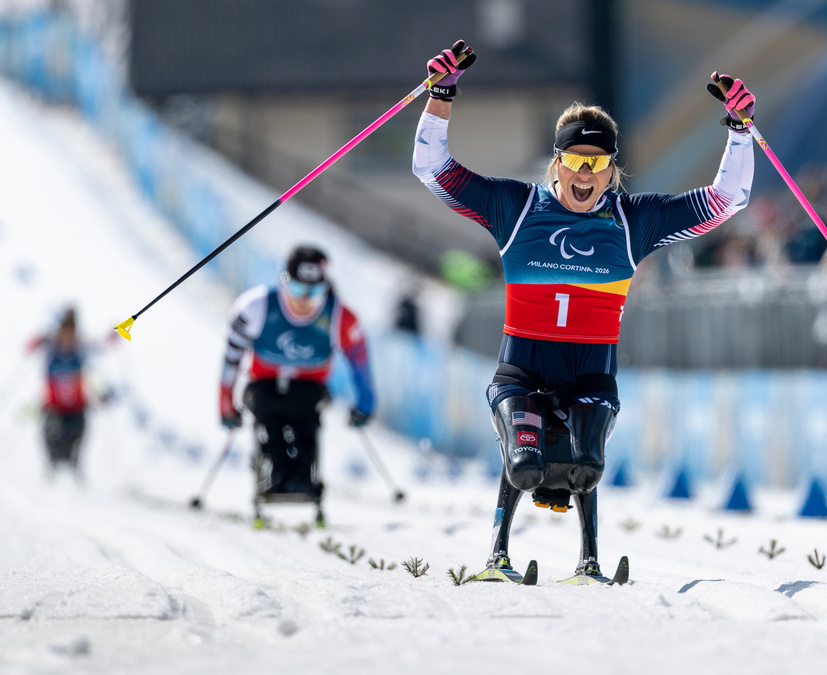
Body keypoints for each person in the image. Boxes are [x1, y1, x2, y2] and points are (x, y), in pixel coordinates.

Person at [413, 41, 755, 580]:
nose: (584, 173)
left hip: (591, 373)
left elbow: (727, 198)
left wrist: (740, 130)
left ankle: (588, 561)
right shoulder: (516, 207)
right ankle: (496, 555)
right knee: (526, 465)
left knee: (585, 468)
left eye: (596, 164)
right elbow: (432, 169)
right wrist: (441, 95)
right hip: (521, 370)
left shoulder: (632, 221)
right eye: (574, 160)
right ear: (558, 161)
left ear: (611, 169)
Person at [219, 245, 376, 526]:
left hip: (309, 388)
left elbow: (359, 361)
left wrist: (365, 403)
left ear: (325, 289)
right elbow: (231, 357)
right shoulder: (256, 306)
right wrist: (225, 402)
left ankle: (303, 478)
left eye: (314, 292)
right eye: (297, 289)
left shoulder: (339, 316)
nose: (304, 300)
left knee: (305, 418)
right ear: (284, 283)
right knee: (268, 412)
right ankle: (278, 475)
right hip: (264, 386)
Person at [26, 307, 111, 478]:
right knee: (49, 433)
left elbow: (100, 349)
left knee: (79, 432)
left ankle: (74, 464)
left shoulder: (80, 349)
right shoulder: (50, 349)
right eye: (65, 332)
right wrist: (38, 340)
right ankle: (52, 466)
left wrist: (102, 393)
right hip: (54, 406)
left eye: (71, 333)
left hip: (76, 407)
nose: (68, 337)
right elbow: (29, 347)